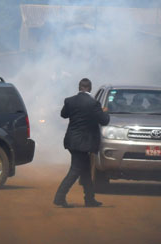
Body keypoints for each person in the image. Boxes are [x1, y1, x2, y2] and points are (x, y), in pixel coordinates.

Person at [53, 78, 110, 208]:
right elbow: (104, 121)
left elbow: (63, 115)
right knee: (75, 170)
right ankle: (59, 197)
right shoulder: (94, 104)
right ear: (90, 88)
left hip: (72, 141)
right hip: (84, 143)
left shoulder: (70, 101)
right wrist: (104, 112)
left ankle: (89, 199)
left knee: (85, 171)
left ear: (79, 87)